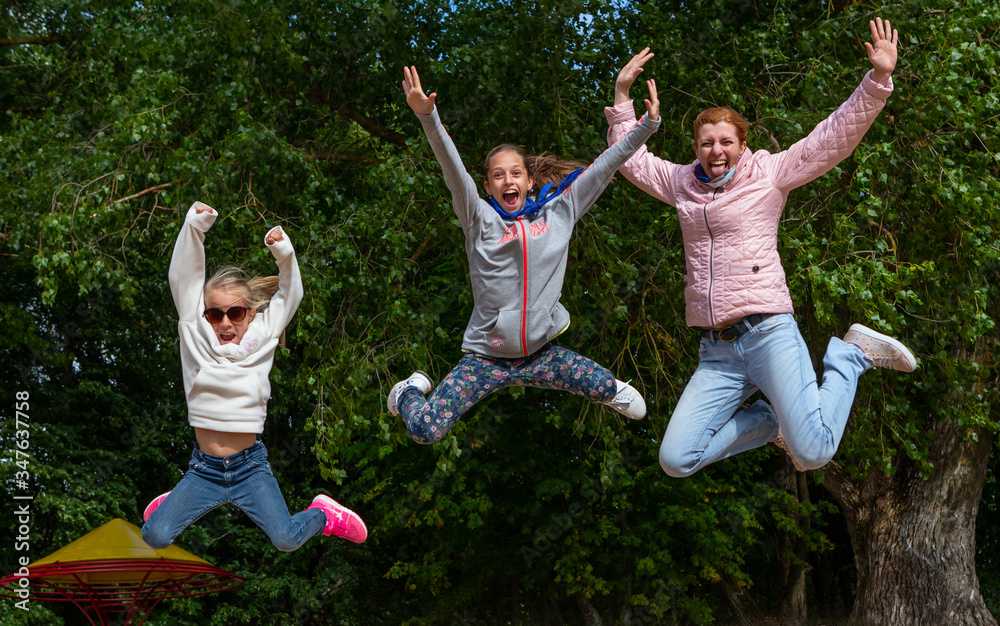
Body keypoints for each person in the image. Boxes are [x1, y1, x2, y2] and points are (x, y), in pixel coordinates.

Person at [605, 18, 916, 475]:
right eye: (706, 143)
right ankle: (769, 423)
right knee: (675, 459)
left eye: (725, 142)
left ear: (742, 144)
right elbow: (629, 159)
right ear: (695, 147)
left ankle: (849, 356)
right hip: (717, 352)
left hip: (769, 333)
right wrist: (621, 98)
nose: (716, 151)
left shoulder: (769, 174)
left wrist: (878, 80)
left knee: (813, 454)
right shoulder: (682, 184)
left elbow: (830, 140)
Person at [387, 65, 661, 444]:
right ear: (487, 185)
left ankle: (606, 388)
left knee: (635, 406)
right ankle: (406, 393)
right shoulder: (478, 216)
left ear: (529, 181)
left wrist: (645, 128)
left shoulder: (560, 212)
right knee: (424, 431)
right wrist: (427, 116)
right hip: (486, 358)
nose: (507, 181)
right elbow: (451, 168)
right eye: (498, 176)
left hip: (540, 353)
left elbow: (604, 167)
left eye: (515, 173)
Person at [141, 201, 367, 551]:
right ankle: (173, 503)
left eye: (235, 313)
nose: (226, 323)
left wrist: (284, 253)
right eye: (215, 315)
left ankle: (324, 514)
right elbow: (182, 278)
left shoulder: (264, 335)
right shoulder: (195, 333)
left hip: (249, 469)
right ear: (204, 316)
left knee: (286, 539)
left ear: (250, 314)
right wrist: (194, 226)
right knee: (154, 536)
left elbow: (291, 294)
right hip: (204, 469)